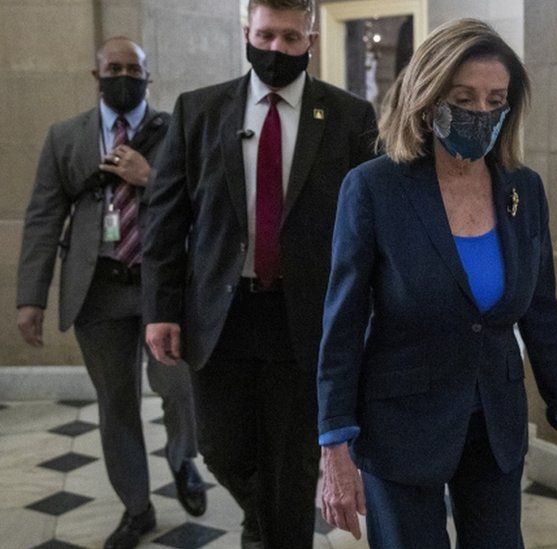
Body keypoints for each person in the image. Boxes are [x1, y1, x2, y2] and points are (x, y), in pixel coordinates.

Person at [317, 19, 557, 548]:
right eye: (465, 98)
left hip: (494, 421)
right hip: (400, 422)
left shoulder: (523, 189)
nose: (482, 114)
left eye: (497, 100)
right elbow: (343, 320)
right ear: (428, 99)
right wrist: (334, 442)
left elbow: (540, 310)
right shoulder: (374, 188)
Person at [141, 1, 378, 547]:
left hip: (304, 322)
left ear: (311, 39)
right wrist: (160, 309)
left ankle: (274, 530)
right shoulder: (199, 110)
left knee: (292, 463)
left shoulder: (348, 117)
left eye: (291, 38)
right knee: (221, 449)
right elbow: (166, 218)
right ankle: (266, 522)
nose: (277, 49)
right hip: (221, 317)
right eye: (266, 35)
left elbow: (368, 226)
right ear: (246, 31)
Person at [16, 37, 205, 549]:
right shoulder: (67, 137)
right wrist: (30, 298)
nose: (123, 75)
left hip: (159, 286)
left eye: (133, 68)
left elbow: (205, 204)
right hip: (97, 290)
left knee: (178, 389)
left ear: (149, 76)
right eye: (113, 68)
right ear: (95, 74)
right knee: (115, 403)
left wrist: (151, 177)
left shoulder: (177, 130)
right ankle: (137, 507)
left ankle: (183, 458)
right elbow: (42, 218)